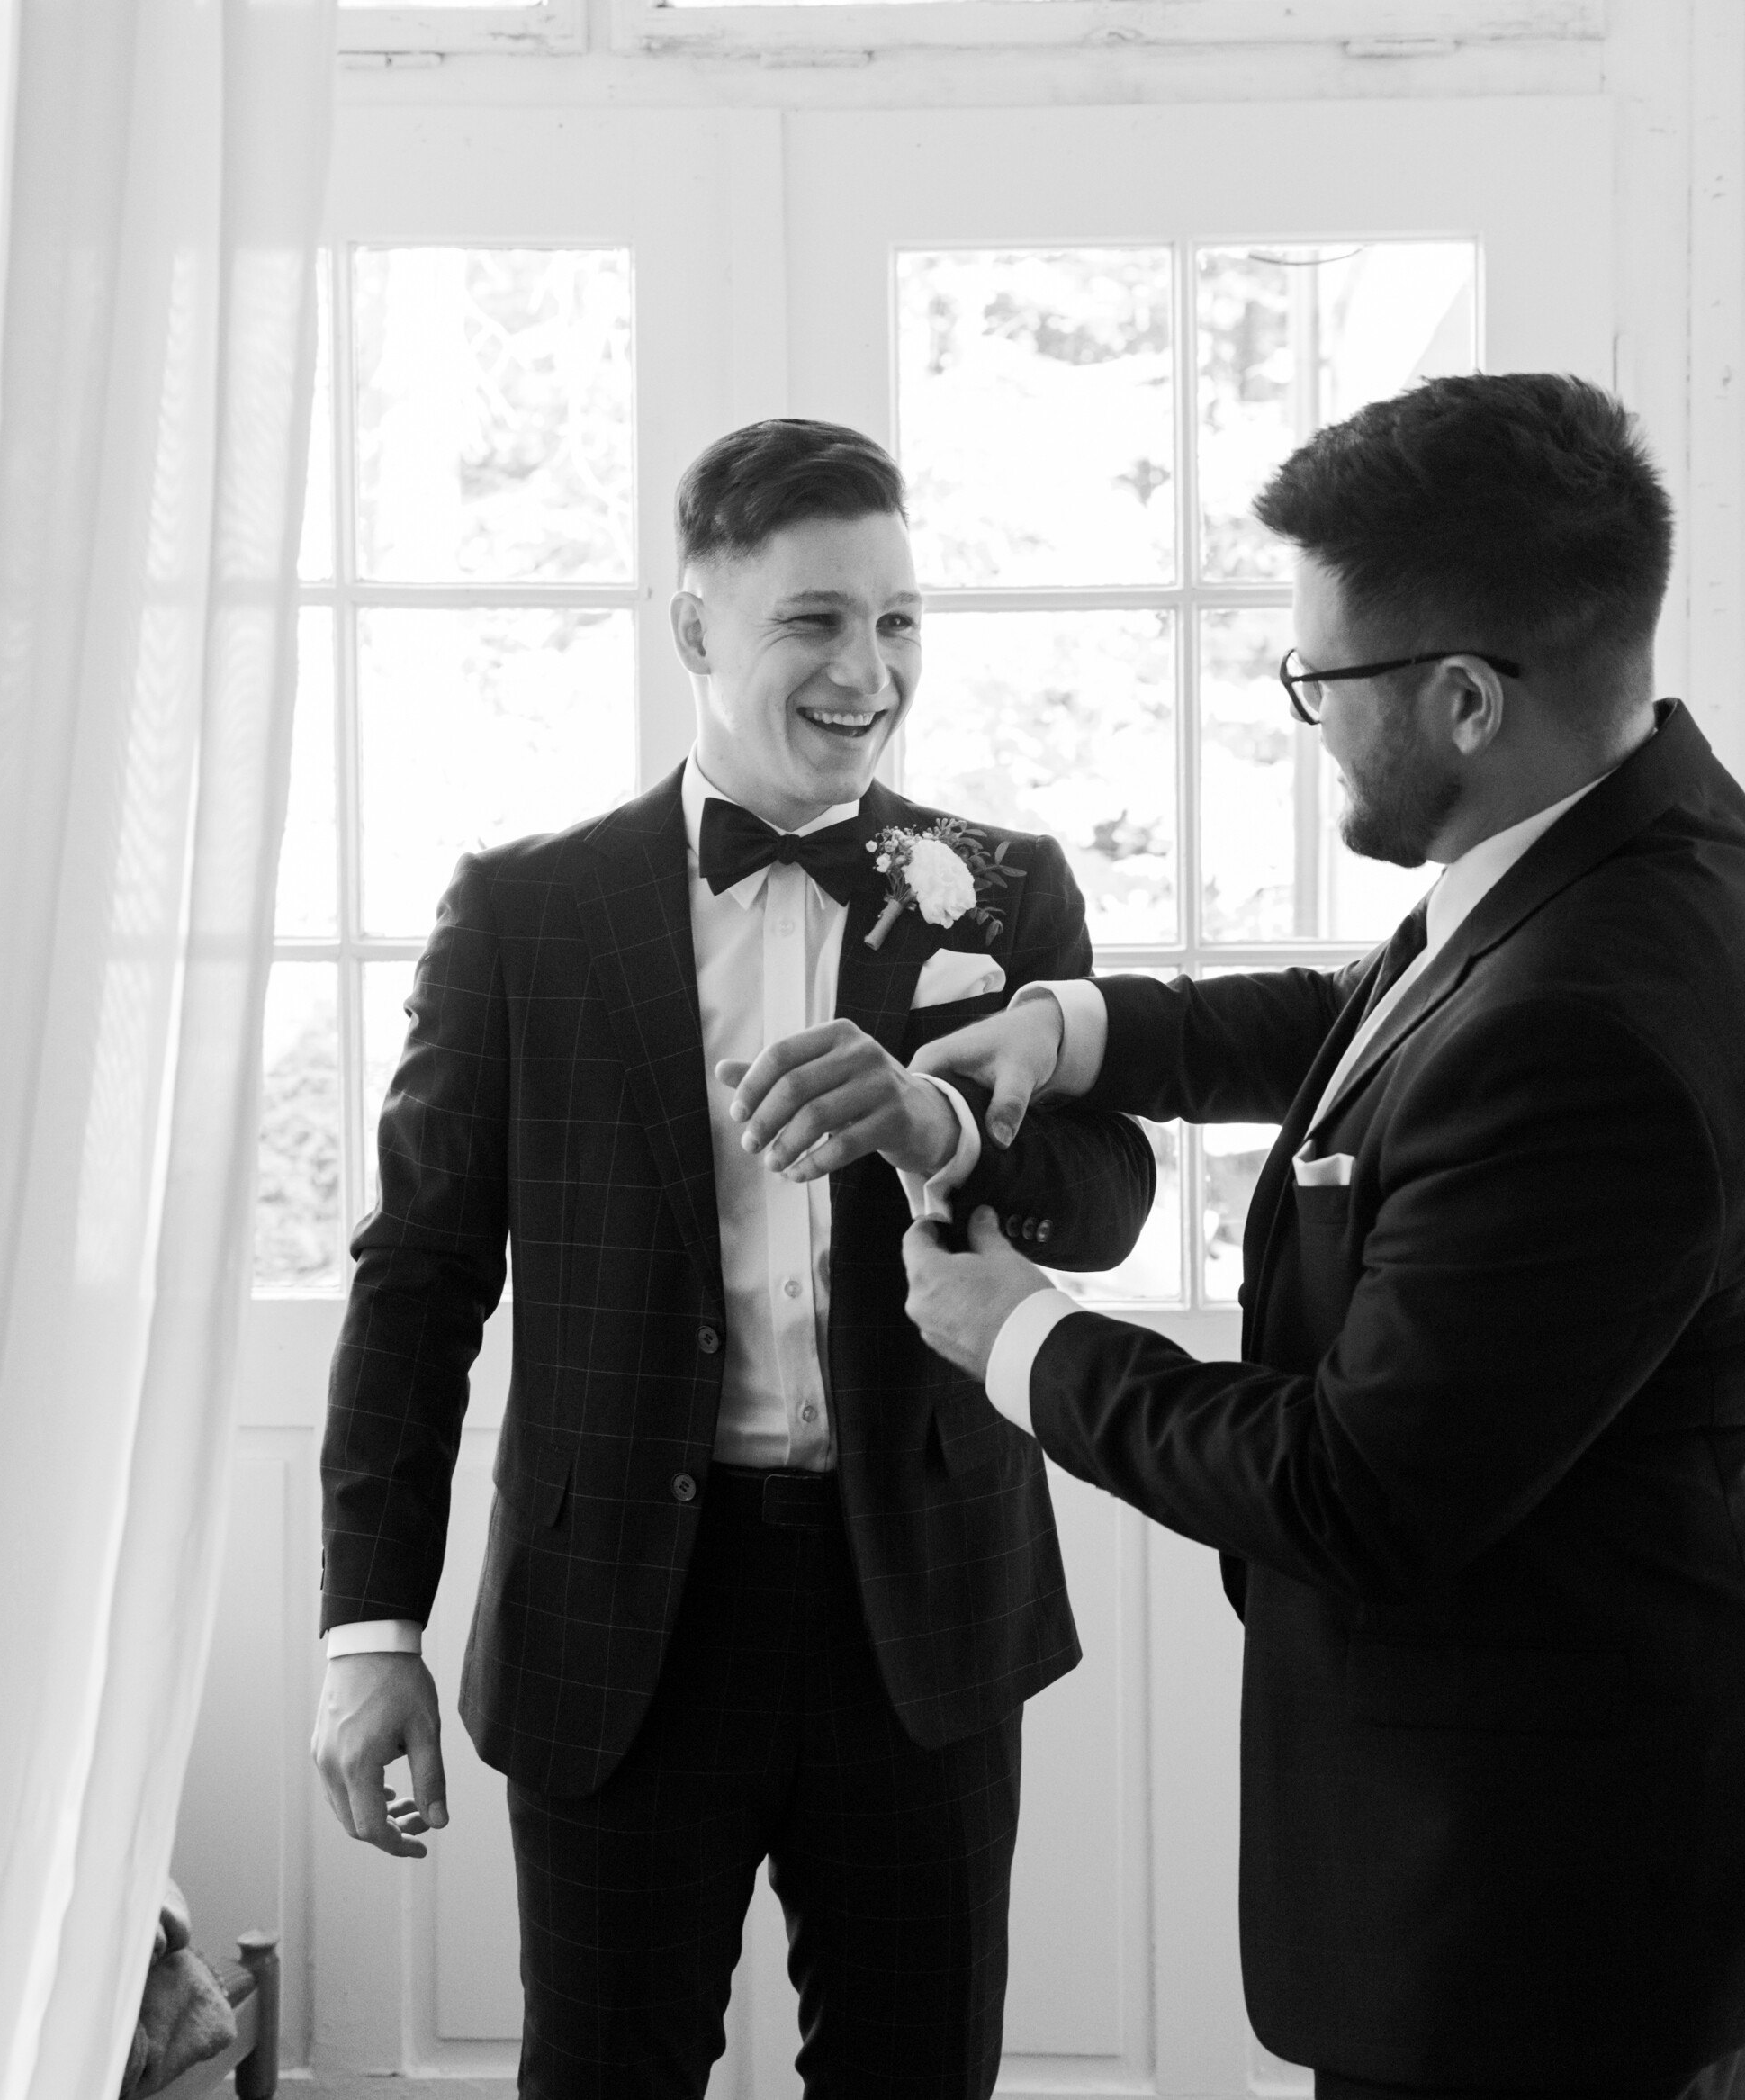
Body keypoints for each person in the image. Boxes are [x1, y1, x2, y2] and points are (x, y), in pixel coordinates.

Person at [898, 374, 1745, 2100]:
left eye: (1319, 681)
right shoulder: (1625, 829)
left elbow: (1356, 1487)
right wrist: (1073, 1028)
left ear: (1464, 699)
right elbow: (1379, 1016)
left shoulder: (1595, 1020)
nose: (1308, 717)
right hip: (1581, 1801)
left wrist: (1022, 1338)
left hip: (1543, 1893)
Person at [310, 419, 1157, 2100]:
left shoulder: (1005, 892)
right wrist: (367, 1631)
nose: (869, 671)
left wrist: (942, 1128)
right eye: (816, 621)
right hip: (620, 1618)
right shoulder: (523, 915)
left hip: (918, 1608)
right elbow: (416, 1281)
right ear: (695, 628)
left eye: (898, 621)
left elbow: (1109, 1193)